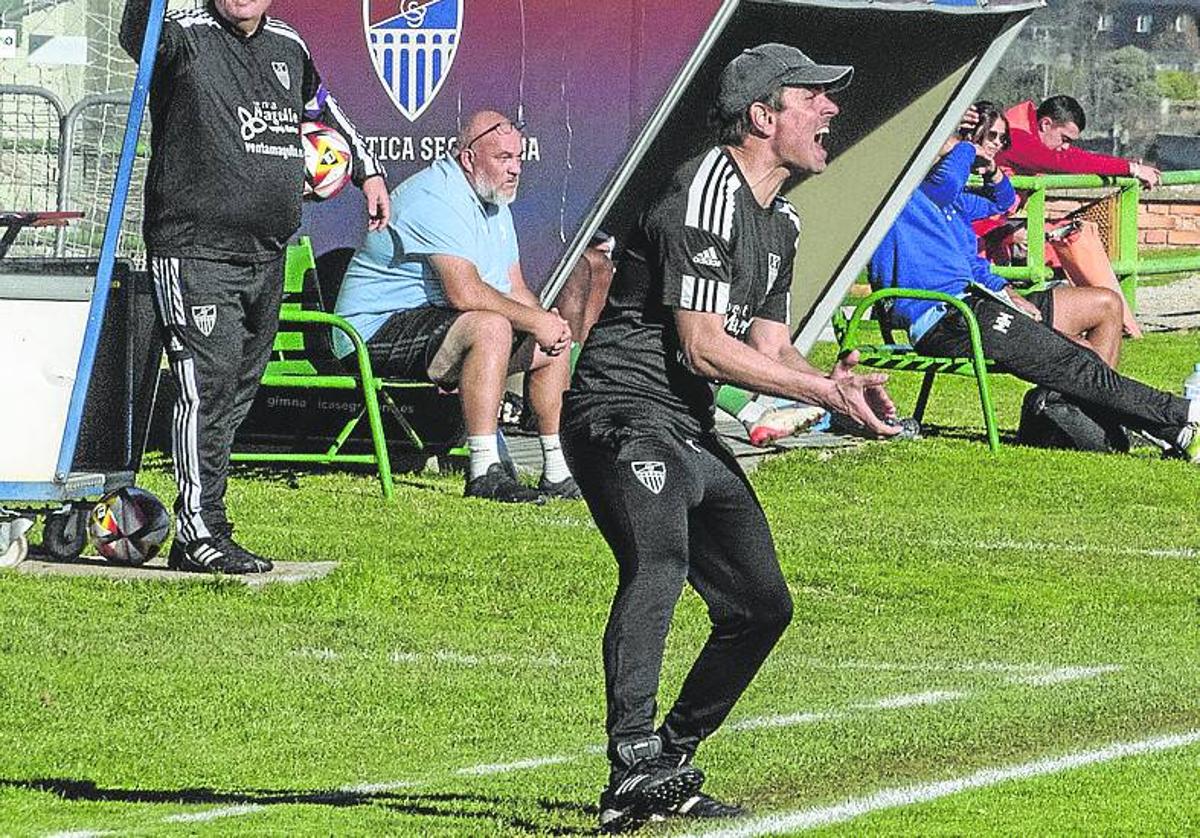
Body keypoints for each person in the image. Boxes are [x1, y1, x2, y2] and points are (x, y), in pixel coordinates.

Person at [562, 43, 900, 832]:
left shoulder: (780, 219)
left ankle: (669, 763)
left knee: (760, 606)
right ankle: (633, 759)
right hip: (619, 411)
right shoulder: (702, 189)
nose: (832, 111)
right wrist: (821, 393)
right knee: (660, 561)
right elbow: (704, 347)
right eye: (812, 97)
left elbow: (773, 349)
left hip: (684, 424)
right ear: (761, 115)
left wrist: (840, 387)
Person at [120, 0, 390, 574]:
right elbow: (136, 36)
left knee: (237, 388)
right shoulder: (184, 38)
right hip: (194, 251)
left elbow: (325, 111)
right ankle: (199, 531)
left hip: (265, 253)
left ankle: (207, 521)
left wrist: (367, 170)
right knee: (206, 384)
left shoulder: (288, 46)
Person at [868, 105, 1200, 461]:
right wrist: (961, 146)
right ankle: (1181, 417)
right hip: (946, 319)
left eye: (1001, 139)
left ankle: (1082, 416)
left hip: (976, 301)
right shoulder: (907, 193)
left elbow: (1004, 203)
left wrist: (991, 169)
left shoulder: (952, 205)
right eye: (988, 138)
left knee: (1104, 306)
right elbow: (941, 172)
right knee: (1078, 359)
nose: (995, 145)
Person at [333, 110, 578, 504]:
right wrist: (535, 320)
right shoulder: (436, 196)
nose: (515, 169)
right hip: (368, 333)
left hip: (431, 323)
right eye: (503, 159)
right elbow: (464, 293)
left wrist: (548, 325)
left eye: (518, 158)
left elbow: (514, 288)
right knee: (491, 327)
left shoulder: (495, 203)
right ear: (468, 157)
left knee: (550, 340)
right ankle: (483, 471)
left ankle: (558, 471)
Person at [994, 94, 1160, 338]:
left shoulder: (1020, 131)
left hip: (992, 226)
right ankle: (1115, 318)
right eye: (1064, 139)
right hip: (979, 229)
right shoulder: (1014, 137)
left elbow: (1064, 157)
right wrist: (1131, 168)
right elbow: (1060, 161)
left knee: (1066, 236)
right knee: (1068, 240)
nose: (1066, 147)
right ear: (1045, 124)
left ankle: (1113, 317)